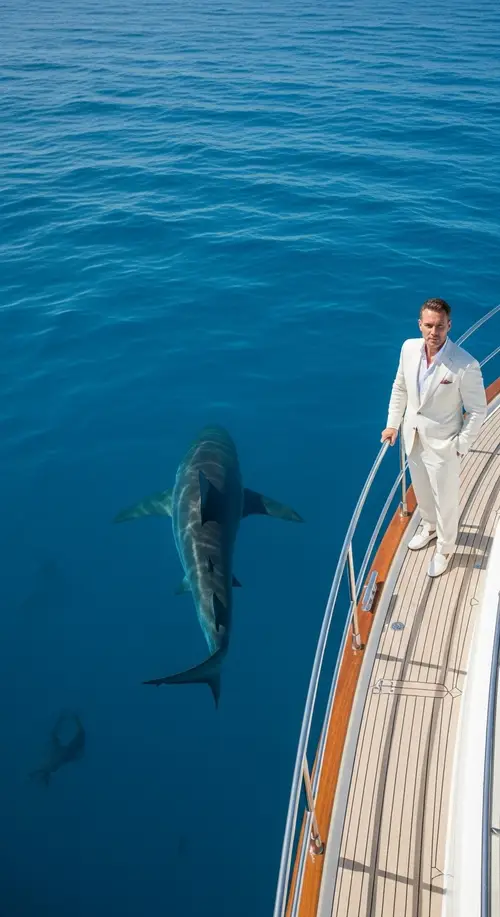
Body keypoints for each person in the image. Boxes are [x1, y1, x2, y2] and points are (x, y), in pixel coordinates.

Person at [381, 298, 487, 577]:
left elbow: (477, 411)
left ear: (449, 325)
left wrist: (460, 445)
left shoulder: (465, 365)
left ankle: (446, 548)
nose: (434, 331)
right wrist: (392, 425)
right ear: (420, 325)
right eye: (428, 325)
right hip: (412, 437)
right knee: (422, 493)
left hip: (445, 446)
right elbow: (400, 387)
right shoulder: (408, 349)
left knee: (446, 501)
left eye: (440, 326)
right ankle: (429, 527)